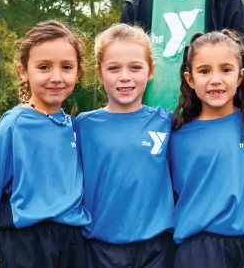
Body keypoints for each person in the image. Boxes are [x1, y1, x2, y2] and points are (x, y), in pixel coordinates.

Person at [169, 30, 244, 268]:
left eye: (226, 70)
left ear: (240, 76)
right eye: (204, 71)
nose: (215, 79)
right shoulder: (176, 136)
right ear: (190, 79)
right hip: (200, 249)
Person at [75, 24, 176, 268]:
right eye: (113, 68)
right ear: (100, 73)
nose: (125, 76)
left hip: (157, 249)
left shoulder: (166, 122)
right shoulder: (83, 125)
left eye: (135, 67)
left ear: (150, 71)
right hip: (100, 248)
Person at [0, 20, 91, 268]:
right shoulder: (14, 125)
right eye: (44, 67)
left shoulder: (75, 125)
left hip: (72, 238)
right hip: (27, 240)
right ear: (23, 71)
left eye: (66, 67)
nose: (56, 77)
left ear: (78, 73)